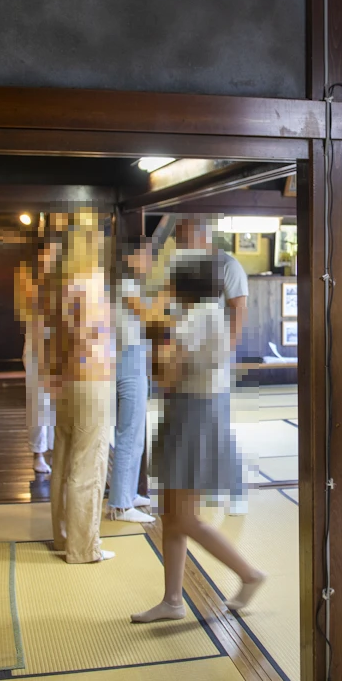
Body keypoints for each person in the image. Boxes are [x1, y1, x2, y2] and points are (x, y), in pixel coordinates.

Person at [131, 255, 266, 623]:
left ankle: (248, 573)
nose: (166, 289)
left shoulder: (195, 319)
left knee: (183, 517)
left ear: (182, 286)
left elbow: (168, 376)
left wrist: (157, 332)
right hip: (192, 412)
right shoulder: (209, 315)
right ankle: (173, 600)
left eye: (170, 283)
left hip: (193, 414)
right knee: (173, 516)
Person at [41, 208, 116, 564]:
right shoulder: (93, 281)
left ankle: (62, 536)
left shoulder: (60, 283)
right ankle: (84, 548)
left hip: (67, 380)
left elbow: (55, 339)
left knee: (64, 459)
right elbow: (91, 335)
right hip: (93, 379)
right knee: (89, 462)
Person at [173, 219, 250, 516]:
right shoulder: (186, 266)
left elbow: (239, 307)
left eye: (183, 238)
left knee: (217, 424)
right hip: (188, 356)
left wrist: (227, 349)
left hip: (214, 355)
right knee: (196, 424)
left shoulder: (227, 265)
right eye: (178, 239)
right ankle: (212, 487)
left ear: (202, 237)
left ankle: (236, 490)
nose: (179, 245)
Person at [107, 235, 157, 524]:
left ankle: (126, 494)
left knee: (134, 433)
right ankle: (121, 504)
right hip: (128, 359)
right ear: (130, 258)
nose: (150, 261)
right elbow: (154, 318)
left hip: (130, 358)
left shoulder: (125, 284)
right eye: (147, 255)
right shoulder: (125, 285)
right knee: (129, 433)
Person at [19, 235, 58, 475]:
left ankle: (54, 450)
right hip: (38, 350)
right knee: (39, 404)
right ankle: (38, 453)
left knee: (57, 405)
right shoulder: (32, 284)